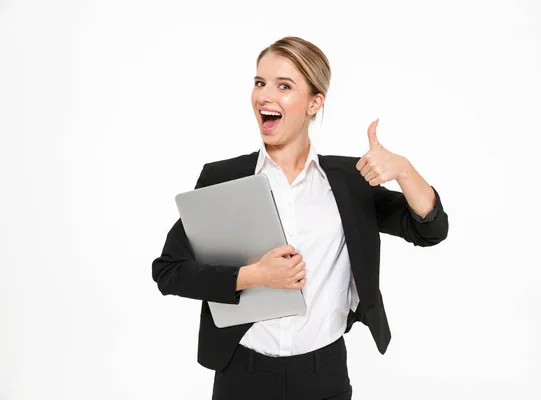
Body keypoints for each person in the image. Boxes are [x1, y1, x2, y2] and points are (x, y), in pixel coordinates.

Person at [152, 36, 449, 400]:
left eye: (284, 86)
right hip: (242, 374)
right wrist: (254, 276)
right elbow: (168, 271)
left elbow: (430, 229)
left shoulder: (350, 182)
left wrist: (403, 170)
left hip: (322, 374)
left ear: (314, 103)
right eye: (259, 83)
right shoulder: (224, 179)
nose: (264, 96)